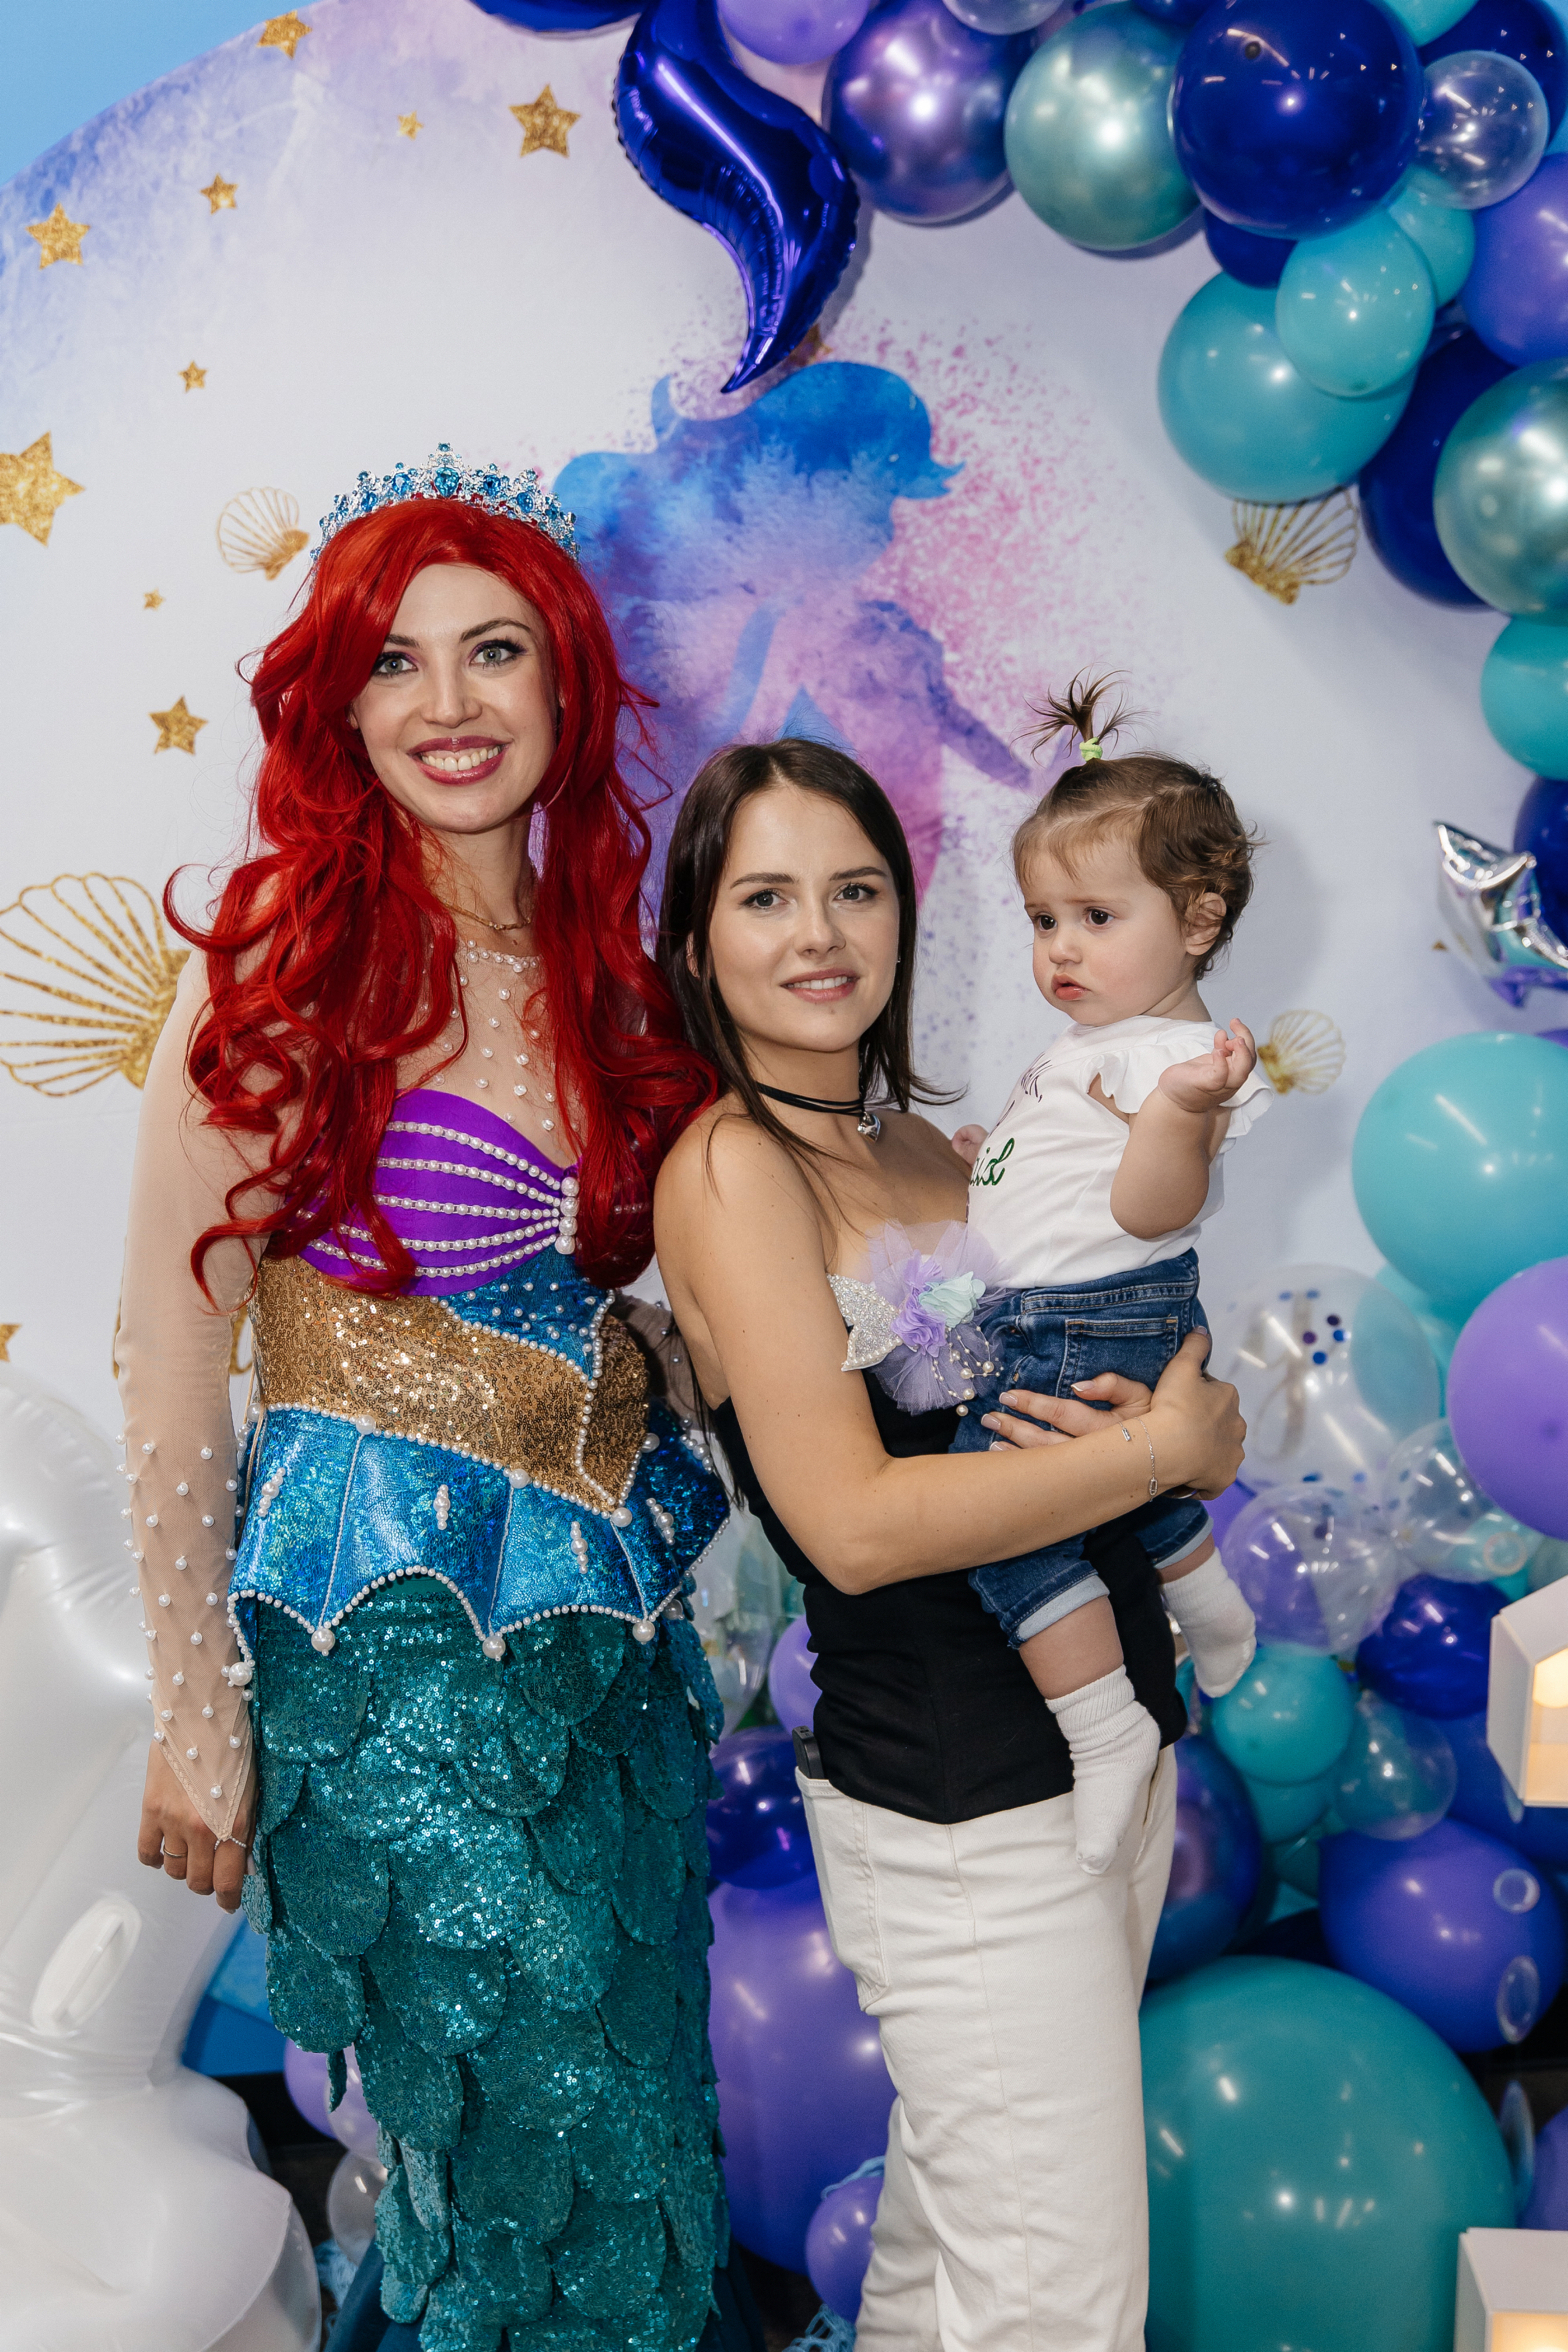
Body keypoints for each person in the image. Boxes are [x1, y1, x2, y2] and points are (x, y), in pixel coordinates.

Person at [119, 451, 758, 2352]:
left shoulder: (617, 982)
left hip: (604, 1666)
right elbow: (165, 1366)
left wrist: (938, 1304)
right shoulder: (274, 968)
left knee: (633, 2142)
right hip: (380, 1663)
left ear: (564, 686)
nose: (449, 704)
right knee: (513, 2140)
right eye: (393, 666)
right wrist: (201, 1727)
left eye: (492, 653)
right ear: (337, 706)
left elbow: (694, 1326)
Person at [652, 736, 1246, 2352]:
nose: (820, 932)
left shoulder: (940, 1149)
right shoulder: (729, 1168)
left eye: (855, 889)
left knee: (954, 2273)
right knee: (1054, 2311)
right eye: (766, 897)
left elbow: (1105, 1370)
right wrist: (1159, 1448)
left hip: (1103, 1756)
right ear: (700, 935)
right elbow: (848, 1526)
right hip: (959, 1816)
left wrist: (1198, 1429)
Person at [939, 674, 1266, 1873]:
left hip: (1087, 1317)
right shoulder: (1097, 1047)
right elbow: (1072, 1184)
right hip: (1063, 1311)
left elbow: (1150, 1207)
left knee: (1006, 1519)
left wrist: (1183, 1114)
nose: (1062, 949)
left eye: (1095, 917)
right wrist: (996, 1166)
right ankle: (1216, 1612)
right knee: (1120, 1477)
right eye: (1043, 921)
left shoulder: (1186, 1058)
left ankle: (1106, 1727)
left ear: (1198, 918)